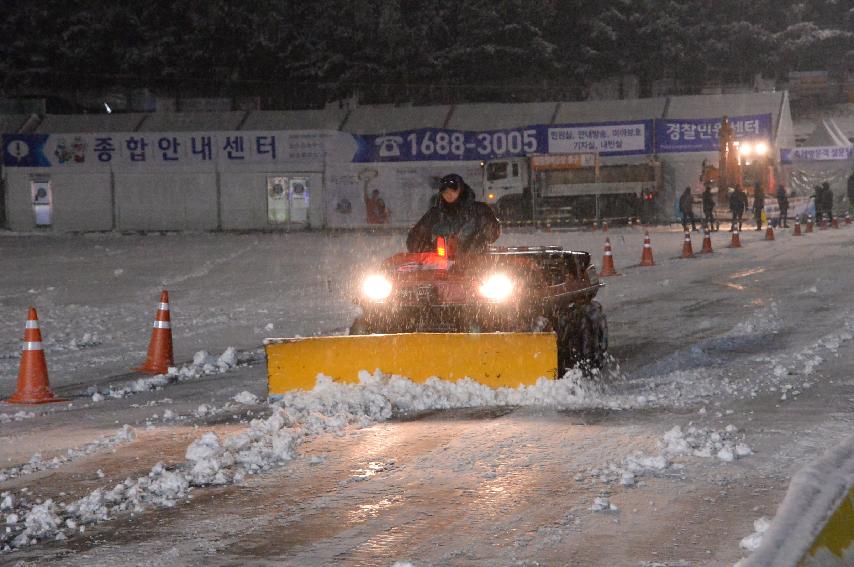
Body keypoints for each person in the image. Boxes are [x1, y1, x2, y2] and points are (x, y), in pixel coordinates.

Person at [406, 173, 500, 254]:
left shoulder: (479, 210)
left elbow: (492, 230)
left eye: (453, 191)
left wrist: (476, 242)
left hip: (475, 265)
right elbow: (414, 238)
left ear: (461, 190)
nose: (449, 194)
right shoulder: (434, 214)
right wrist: (430, 249)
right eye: (445, 192)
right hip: (439, 267)